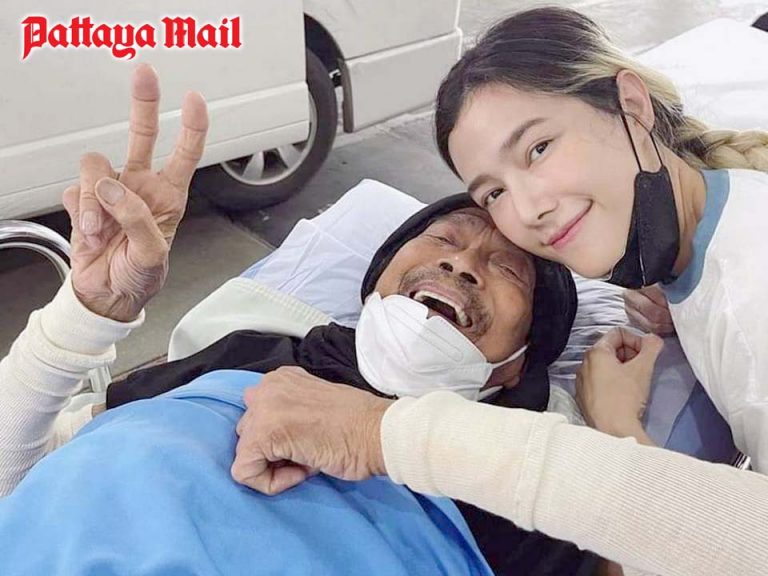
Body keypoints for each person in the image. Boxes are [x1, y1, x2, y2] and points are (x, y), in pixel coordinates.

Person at [0, 64, 604, 575]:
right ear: (375, 288)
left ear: (519, 363)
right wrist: (88, 312)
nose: (462, 262)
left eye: (507, 269)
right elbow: (21, 478)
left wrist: (623, 425)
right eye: (444, 237)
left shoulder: (523, 481)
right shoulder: (245, 358)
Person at [432, 6, 768, 472]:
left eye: (538, 149)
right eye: (494, 193)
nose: (529, 210)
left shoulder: (751, 305)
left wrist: (618, 428)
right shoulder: (714, 222)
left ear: (631, 105)